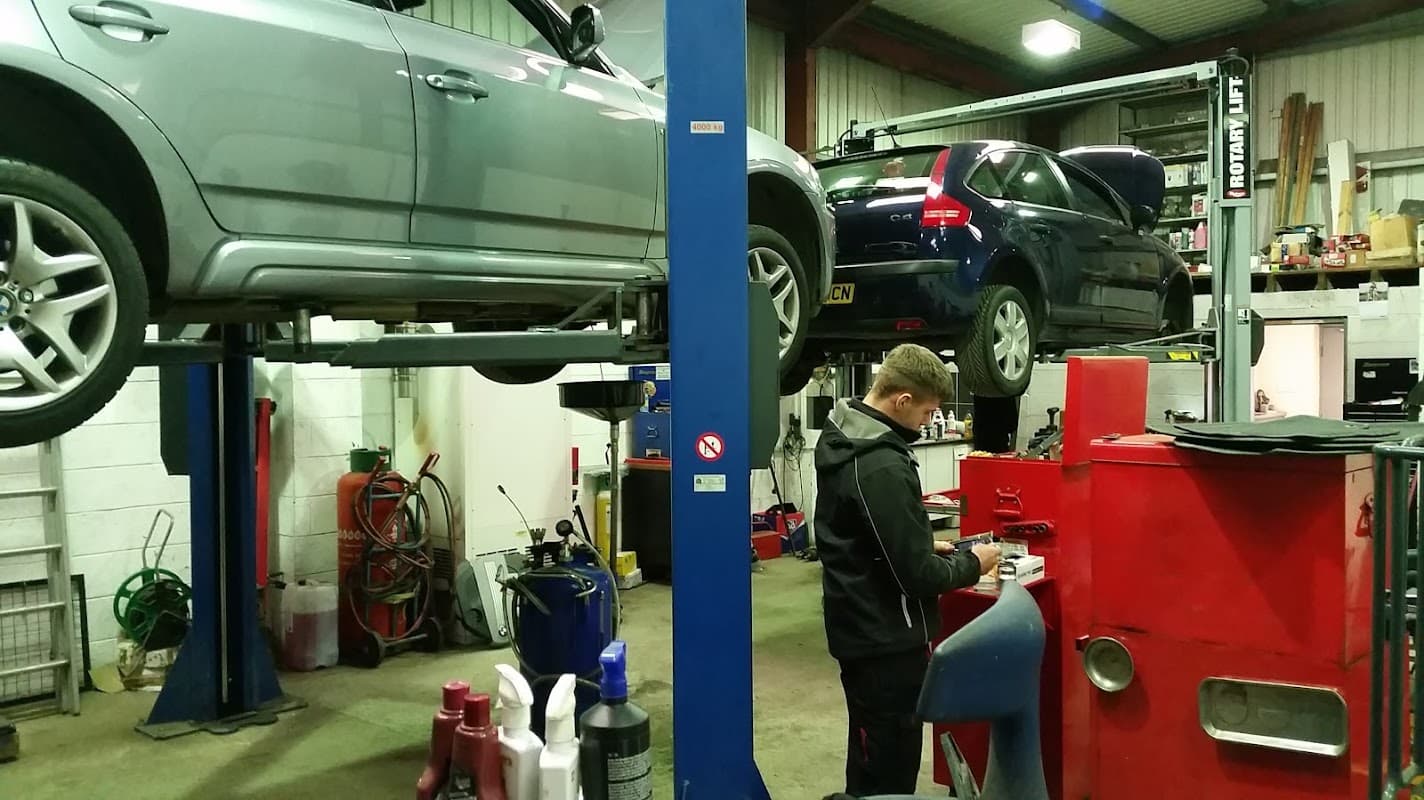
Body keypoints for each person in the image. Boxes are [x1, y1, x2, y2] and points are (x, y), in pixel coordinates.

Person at [815, 343, 1001, 798]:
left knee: (870, 747)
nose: (926, 423)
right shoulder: (880, 464)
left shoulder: (845, 434)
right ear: (901, 401)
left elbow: (863, 533)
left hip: (861, 624)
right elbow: (918, 577)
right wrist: (971, 563)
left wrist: (918, 542)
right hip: (883, 642)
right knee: (888, 761)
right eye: (926, 412)